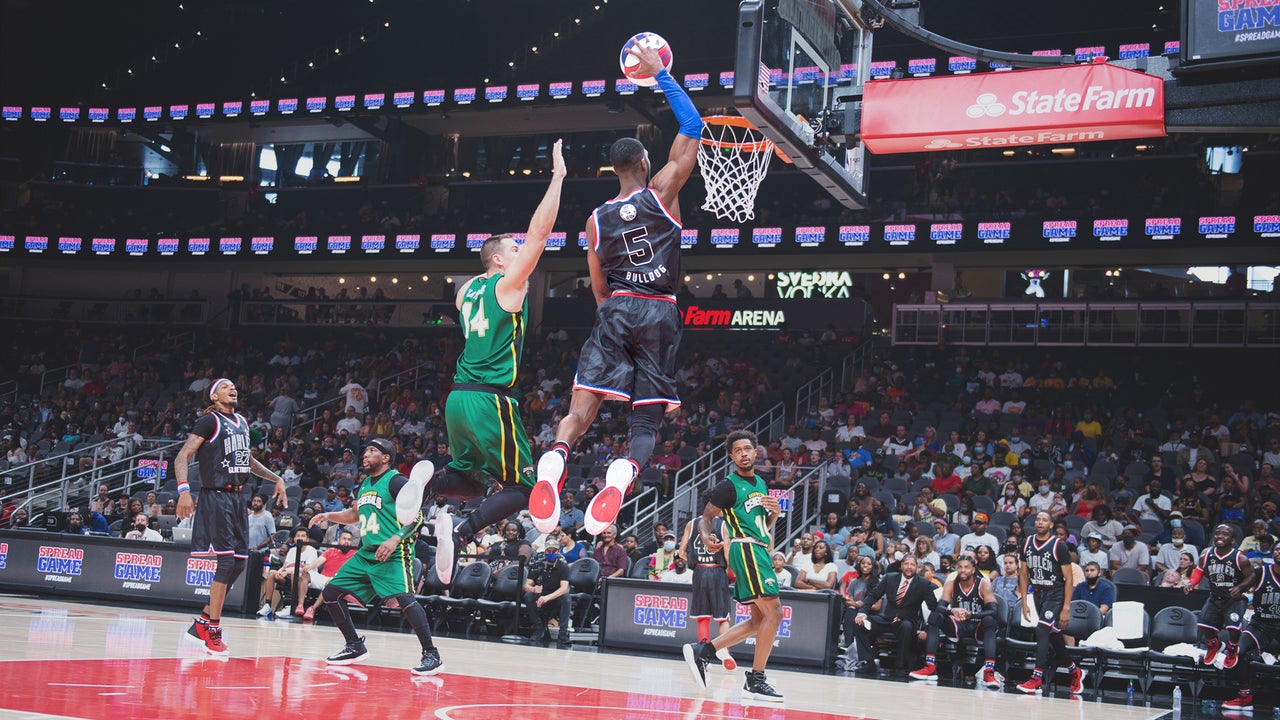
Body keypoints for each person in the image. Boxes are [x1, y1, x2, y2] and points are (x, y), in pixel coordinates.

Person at [531, 41, 702, 537]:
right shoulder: (663, 190)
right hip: (661, 311)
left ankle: (555, 461)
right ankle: (622, 475)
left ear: (613, 170)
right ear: (645, 162)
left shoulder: (595, 221)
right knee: (645, 425)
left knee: (580, 411)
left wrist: (613, 315)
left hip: (618, 309)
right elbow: (692, 129)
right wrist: (661, 76)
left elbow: (599, 288)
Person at [422, 141, 567, 584]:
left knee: (469, 479)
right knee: (524, 488)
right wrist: (558, 177)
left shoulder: (465, 290)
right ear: (502, 260)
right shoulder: (508, 285)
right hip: (491, 401)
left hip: (458, 398)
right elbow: (540, 235)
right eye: (514, 248)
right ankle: (462, 532)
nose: (521, 249)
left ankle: (422, 488)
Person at [309, 438, 442, 675]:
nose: (365, 455)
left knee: (405, 599)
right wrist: (329, 515)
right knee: (330, 593)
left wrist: (394, 539)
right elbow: (354, 514)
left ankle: (431, 654)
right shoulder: (365, 484)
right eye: (366, 451)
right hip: (366, 553)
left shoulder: (396, 481)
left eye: (372, 451)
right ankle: (354, 646)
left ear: (386, 458)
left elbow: (418, 517)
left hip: (393, 552)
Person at [176, 378, 289, 656]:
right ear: (214, 396)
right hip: (215, 495)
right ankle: (213, 631)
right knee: (226, 562)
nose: (232, 388)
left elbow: (246, 461)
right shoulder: (209, 421)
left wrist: (276, 478)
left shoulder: (242, 422)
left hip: (238, 498)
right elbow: (182, 456)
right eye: (225, 386)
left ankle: (201, 623)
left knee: (239, 563)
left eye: (234, 386)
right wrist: (183, 491)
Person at [681, 430, 785, 702]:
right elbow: (706, 517)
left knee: (759, 619)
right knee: (775, 613)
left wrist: (774, 513)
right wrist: (705, 535)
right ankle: (756, 679)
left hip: (759, 546)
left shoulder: (761, 482)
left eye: (747, 448)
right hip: (746, 548)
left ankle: (703, 651)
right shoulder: (728, 486)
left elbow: (762, 526)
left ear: (755, 451)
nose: (744, 453)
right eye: (738, 450)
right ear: (732, 456)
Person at [1016, 511, 1086, 695]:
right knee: (1053, 637)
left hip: (1055, 594)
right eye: (1038, 519)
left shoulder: (1059, 546)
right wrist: (1024, 601)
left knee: (1041, 630)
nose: (1040, 522)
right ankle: (1075, 671)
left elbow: (1069, 579)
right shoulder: (1026, 543)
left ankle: (1036, 677)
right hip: (1038, 594)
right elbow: (1023, 574)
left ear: (1051, 524)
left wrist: (1066, 608)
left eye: (1044, 520)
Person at [910, 556, 1002, 688]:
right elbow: (939, 606)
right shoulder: (951, 583)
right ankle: (930, 666)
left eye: (966, 567)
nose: (963, 570)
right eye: (960, 567)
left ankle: (989, 672)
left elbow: (994, 611)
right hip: (958, 626)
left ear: (973, 569)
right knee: (935, 616)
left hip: (978, 626)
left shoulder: (983, 584)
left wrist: (972, 614)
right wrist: (952, 610)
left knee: (990, 620)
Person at [852, 555, 938, 675]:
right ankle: (868, 662)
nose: (909, 567)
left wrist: (927, 629)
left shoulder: (923, 584)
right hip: (887, 620)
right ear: (901, 566)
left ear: (917, 567)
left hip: (906, 621)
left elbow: (934, 607)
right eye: (906, 564)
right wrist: (862, 612)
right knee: (859, 623)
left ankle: (900, 666)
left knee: (906, 627)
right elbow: (873, 596)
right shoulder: (890, 578)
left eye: (912, 565)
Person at [1186, 524, 1255, 668]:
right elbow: (1198, 570)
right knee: (1203, 624)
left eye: (1225, 534)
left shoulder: (1239, 557)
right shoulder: (1206, 555)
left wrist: (1240, 587)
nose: (1220, 537)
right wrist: (1191, 583)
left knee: (1233, 628)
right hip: (1215, 597)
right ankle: (1214, 644)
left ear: (1233, 539)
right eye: (1217, 533)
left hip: (1234, 599)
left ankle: (1232, 647)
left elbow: (1252, 576)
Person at [1222, 542, 1280, 711]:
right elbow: (1240, 587)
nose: (1279, 552)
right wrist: (1237, 589)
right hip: (1261, 624)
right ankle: (1244, 695)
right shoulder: (1261, 572)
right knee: (1236, 652)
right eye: (1276, 549)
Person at [678, 515, 737, 670]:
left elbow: (681, 552)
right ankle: (724, 649)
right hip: (717, 571)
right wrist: (731, 572)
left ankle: (703, 656)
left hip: (699, 571)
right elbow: (727, 554)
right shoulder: (723, 524)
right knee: (723, 618)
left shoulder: (691, 524)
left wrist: (695, 561)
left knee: (702, 618)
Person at [257, 527, 317, 619]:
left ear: (307, 539)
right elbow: (284, 566)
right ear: (294, 538)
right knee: (272, 573)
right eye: (298, 536)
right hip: (289, 575)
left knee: (295, 574)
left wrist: (288, 572)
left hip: (305, 578)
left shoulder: (312, 550)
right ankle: (267, 605)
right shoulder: (292, 550)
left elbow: (305, 569)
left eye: (303, 536)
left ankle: (292, 606)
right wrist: (281, 571)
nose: (300, 538)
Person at [523, 538, 572, 649]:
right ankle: (538, 627)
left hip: (554, 597)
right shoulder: (537, 564)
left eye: (553, 551)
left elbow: (564, 588)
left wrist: (547, 597)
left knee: (566, 598)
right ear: (544, 552)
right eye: (548, 551)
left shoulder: (562, 566)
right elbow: (526, 585)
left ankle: (563, 633)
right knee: (528, 596)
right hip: (540, 597)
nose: (551, 553)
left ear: (558, 552)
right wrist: (533, 589)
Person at [302, 529, 358, 621]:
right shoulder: (330, 551)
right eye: (344, 539)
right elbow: (319, 561)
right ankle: (300, 605)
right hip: (323, 577)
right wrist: (310, 566)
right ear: (339, 539)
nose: (346, 542)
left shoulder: (354, 554)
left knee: (330, 584)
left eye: (349, 539)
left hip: (338, 581)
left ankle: (312, 608)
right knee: (304, 575)